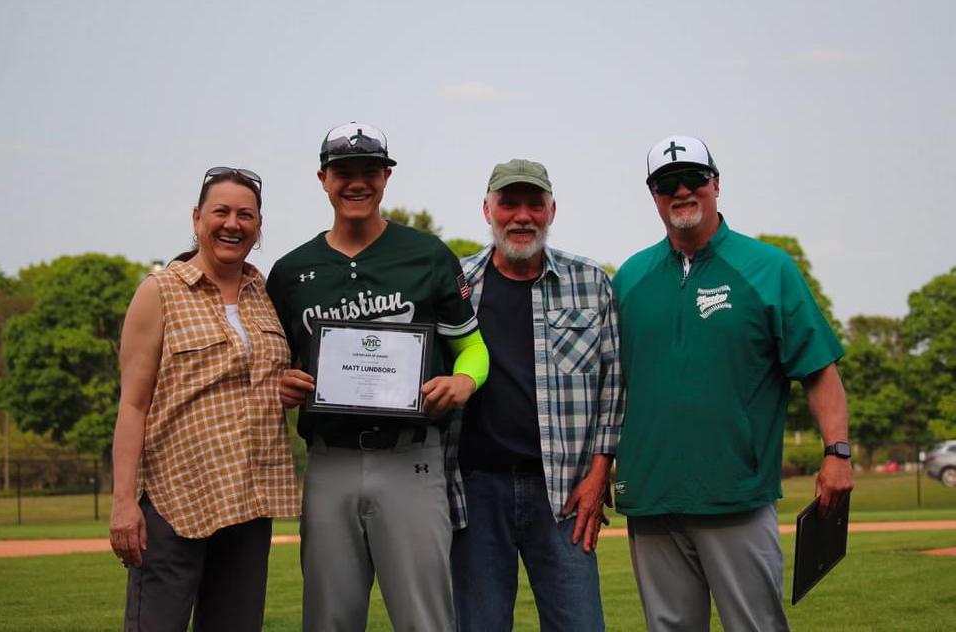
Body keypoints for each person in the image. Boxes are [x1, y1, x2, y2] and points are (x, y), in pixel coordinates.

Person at [612, 135, 855, 631]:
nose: (681, 191)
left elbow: (819, 370)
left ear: (716, 183)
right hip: (651, 497)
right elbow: (609, 390)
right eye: (665, 183)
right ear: (652, 194)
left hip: (735, 497)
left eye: (694, 178)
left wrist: (837, 452)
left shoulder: (768, 268)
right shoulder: (630, 277)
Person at [266, 121, 489, 632]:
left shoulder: (427, 254)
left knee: (425, 620)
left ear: (387, 177)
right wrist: (280, 383)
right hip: (330, 464)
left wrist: (464, 382)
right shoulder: (291, 270)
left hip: (411, 459)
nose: (357, 182)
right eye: (344, 171)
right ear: (323, 178)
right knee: (329, 619)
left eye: (369, 170)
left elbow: (472, 347)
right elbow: (272, 364)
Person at [109, 167, 300, 631]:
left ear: (258, 228)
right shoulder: (160, 292)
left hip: (248, 503)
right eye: (221, 211)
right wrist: (123, 502)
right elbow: (133, 405)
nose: (232, 223)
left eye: (246, 215)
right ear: (197, 218)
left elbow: (252, 381)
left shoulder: (264, 295)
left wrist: (284, 387)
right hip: (176, 501)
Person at [447, 159, 626, 631]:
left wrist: (599, 473)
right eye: (509, 203)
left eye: (534, 204)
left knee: (580, 624)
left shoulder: (592, 284)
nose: (522, 216)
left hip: (565, 494)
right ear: (487, 209)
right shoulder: (456, 285)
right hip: (476, 491)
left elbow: (614, 386)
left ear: (552, 210)